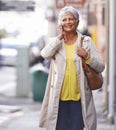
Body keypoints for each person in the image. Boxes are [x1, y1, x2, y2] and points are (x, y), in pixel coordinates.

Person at [39, 6, 105, 130]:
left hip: (79, 99)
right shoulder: (55, 42)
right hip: (59, 99)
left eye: (71, 19)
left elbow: (101, 66)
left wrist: (87, 55)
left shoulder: (86, 41)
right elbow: (45, 54)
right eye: (64, 20)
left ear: (77, 22)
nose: (68, 22)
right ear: (60, 23)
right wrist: (59, 37)